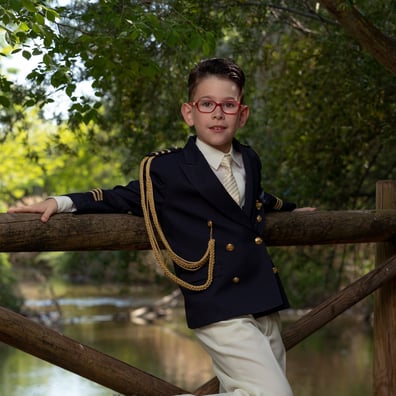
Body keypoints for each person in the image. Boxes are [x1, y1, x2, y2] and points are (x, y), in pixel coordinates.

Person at [8, 58, 315, 395]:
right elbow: (120, 197)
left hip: (262, 294)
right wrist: (61, 202)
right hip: (218, 300)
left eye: (228, 105)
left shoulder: (250, 159)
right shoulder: (167, 170)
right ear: (189, 112)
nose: (217, 113)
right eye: (207, 104)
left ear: (242, 114)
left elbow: (255, 199)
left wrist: (293, 211)